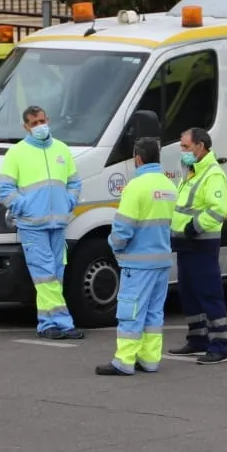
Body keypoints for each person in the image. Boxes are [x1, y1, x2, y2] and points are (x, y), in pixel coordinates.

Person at [0, 106, 84, 340]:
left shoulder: (62, 150)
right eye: (34, 123)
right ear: (26, 126)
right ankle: (65, 323)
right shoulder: (17, 153)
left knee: (54, 275)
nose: (40, 126)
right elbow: (4, 190)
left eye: (42, 121)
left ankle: (47, 325)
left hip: (58, 224)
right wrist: (23, 207)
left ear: (49, 119)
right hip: (32, 225)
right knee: (45, 275)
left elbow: (74, 183)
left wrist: (68, 201)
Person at [96, 137, 177, 376]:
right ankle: (150, 359)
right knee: (154, 313)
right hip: (162, 261)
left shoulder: (136, 187)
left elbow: (123, 229)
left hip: (138, 264)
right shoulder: (169, 187)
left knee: (130, 311)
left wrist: (114, 245)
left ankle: (125, 360)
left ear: (137, 158)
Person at [169, 126, 227, 364]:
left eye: (185, 146)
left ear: (200, 146)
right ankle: (197, 340)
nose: (182, 151)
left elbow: (218, 210)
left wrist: (192, 227)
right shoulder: (190, 171)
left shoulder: (212, 174)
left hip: (201, 243)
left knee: (209, 294)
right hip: (186, 244)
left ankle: (219, 345)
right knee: (189, 292)